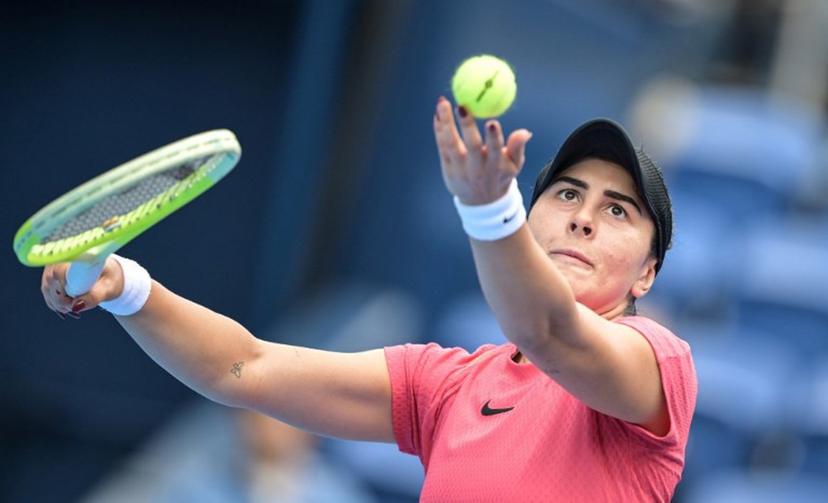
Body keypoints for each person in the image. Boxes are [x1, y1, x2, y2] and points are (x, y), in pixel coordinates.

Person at [41, 97, 697, 502]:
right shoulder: (447, 388)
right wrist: (127, 287)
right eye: (566, 194)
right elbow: (241, 367)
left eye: (618, 210)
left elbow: (548, 329)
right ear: (533, 222)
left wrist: (487, 204)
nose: (583, 217)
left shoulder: (657, 362)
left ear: (647, 274)